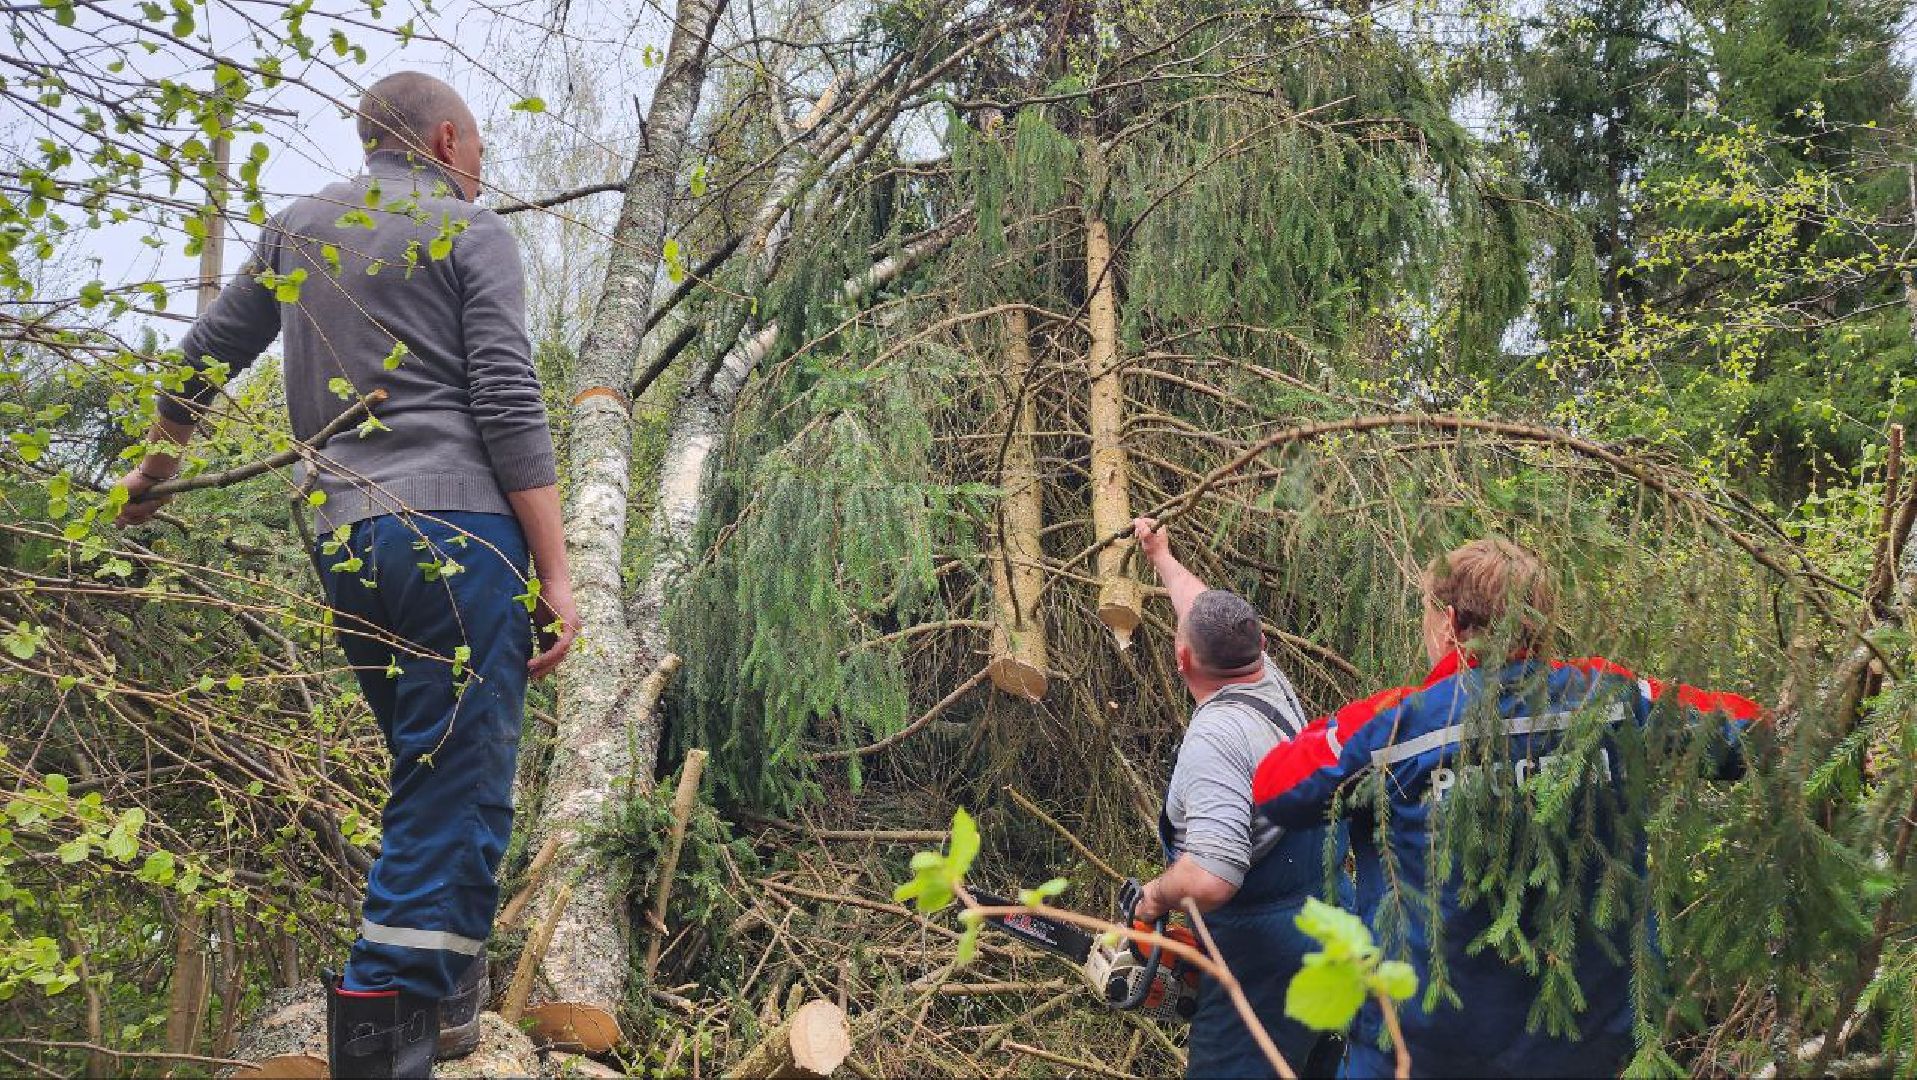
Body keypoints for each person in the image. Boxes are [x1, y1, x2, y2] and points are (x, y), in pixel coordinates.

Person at [113, 72, 579, 1079]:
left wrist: (159, 465)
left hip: (347, 543)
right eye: (480, 146)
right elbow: (505, 396)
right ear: (449, 137)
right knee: (457, 790)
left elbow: (201, 358)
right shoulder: (470, 230)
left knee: (431, 774)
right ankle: (379, 1050)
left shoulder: (295, 228)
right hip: (459, 532)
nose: (483, 166)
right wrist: (556, 566)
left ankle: (449, 1006)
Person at [1253, 538, 1761, 1078]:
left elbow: (1278, 785)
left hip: (1418, 1049)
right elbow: (1753, 734)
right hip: (1589, 1038)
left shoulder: (1397, 727)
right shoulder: (1612, 701)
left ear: (1447, 621)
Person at [1130, 517, 1346, 1079]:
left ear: (1182, 661)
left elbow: (1210, 878)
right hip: (1326, 923)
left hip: (1261, 958)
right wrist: (1161, 557)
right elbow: (1203, 609)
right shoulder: (1265, 678)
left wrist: (1153, 898)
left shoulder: (1214, 740)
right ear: (1259, 644)